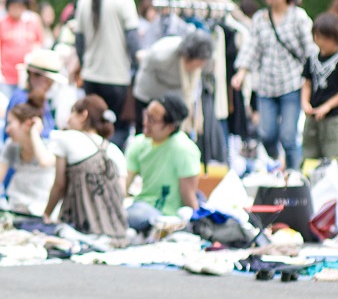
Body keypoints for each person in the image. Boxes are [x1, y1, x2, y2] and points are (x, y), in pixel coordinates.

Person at [232, 0, 314, 170]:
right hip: (266, 86)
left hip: (292, 83)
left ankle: (294, 174)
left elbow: (310, 49)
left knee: (288, 136)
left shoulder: (298, 17)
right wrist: (241, 72)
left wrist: (312, 78)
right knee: (267, 134)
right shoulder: (260, 19)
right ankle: (277, 161)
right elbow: (252, 47)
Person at [72, 0, 138, 147]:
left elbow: (79, 42)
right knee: (117, 127)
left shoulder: (84, 0)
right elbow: (133, 40)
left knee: (92, 125)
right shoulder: (124, 0)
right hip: (117, 76)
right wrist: (136, 67)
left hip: (91, 75)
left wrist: (84, 64)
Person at [44, 95, 128, 240]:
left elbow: (59, 185)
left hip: (79, 228)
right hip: (116, 231)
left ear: (83, 115)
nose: (68, 119)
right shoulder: (115, 151)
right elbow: (122, 193)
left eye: (72, 113)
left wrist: (46, 214)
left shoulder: (66, 138)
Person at [123, 93, 202, 232]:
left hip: (169, 214)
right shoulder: (139, 143)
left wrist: (199, 225)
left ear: (170, 126)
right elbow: (124, 184)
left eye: (152, 120)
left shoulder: (184, 149)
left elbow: (189, 196)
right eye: (146, 115)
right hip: (143, 205)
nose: (145, 123)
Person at [301, 13, 338, 163]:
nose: (320, 42)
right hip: (313, 115)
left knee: (333, 158)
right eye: (317, 36)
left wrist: (328, 105)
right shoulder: (312, 58)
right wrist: (305, 103)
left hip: (334, 117)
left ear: (335, 38)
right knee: (309, 156)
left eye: (325, 38)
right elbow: (307, 84)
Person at [0, 102, 55, 214]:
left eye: (10, 123)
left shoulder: (50, 146)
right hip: (15, 209)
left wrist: (34, 132)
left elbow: (44, 162)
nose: (7, 130)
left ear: (26, 124)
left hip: (40, 213)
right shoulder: (11, 146)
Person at [133, 30, 213, 111]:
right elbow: (144, 62)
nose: (201, 66)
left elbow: (192, 93)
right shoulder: (162, 53)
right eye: (199, 63)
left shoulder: (198, 66)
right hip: (150, 92)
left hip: (176, 97)